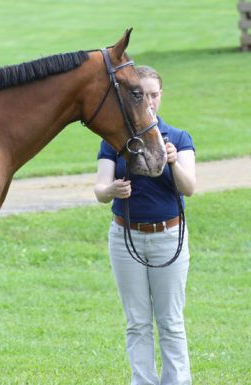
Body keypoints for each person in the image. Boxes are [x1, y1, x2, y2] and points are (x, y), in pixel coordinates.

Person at [93, 65, 196, 385]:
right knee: (137, 322)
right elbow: (100, 189)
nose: (149, 101)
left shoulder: (177, 138)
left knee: (170, 321)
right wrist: (112, 191)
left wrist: (174, 160)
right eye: (142, 95)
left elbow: (189, 188)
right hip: (126, 236)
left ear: (161, 96)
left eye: (154, 95)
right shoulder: (115, 140)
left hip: (168, 234)